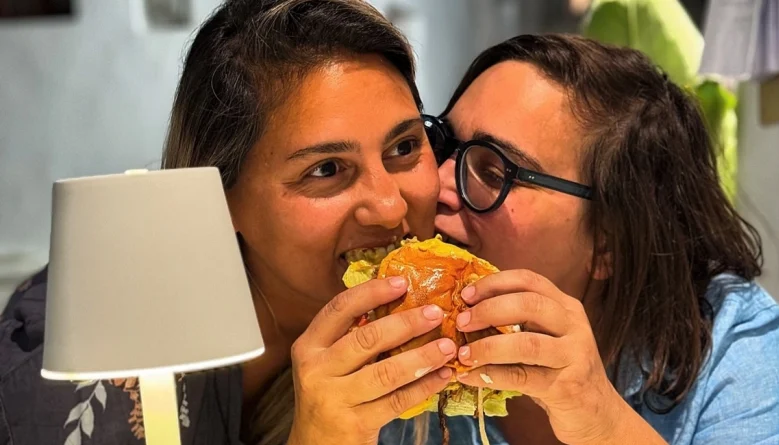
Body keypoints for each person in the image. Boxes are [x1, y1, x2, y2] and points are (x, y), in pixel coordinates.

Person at [0, 1, 454, 444]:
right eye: (326, 169)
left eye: (404, 147)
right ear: (219, 196)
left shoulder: (441, 310)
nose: (390, 207)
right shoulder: (79, 386)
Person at [384, 34, 779, 444]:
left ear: (608, 242)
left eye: (493, 173)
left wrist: (603, 422)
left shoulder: (725, 337)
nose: (439, 186)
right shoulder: (382, 331)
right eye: (441, 143)